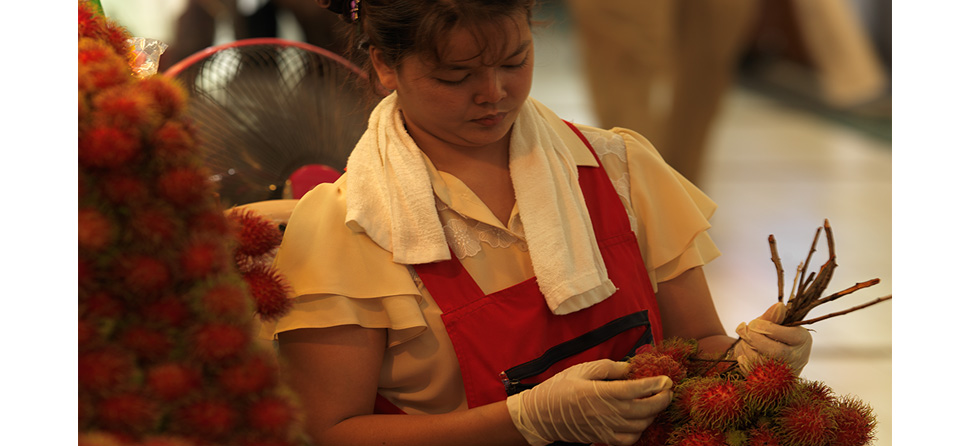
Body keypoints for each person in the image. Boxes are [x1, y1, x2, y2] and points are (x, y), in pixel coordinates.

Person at [258, 1, 813, 445]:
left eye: (514, 62)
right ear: (384, 66)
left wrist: (750, 360)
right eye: (456, 75)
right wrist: (523, 420)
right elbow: (328, 431)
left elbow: (698, 344)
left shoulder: (618, 169)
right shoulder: (350, 228)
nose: (494, 94)